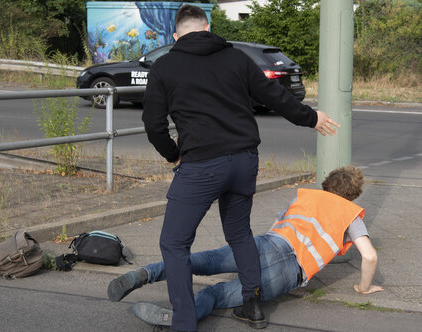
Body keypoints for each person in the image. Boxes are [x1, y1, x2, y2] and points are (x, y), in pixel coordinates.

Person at [141, 4, 340, 332]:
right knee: (238, 232)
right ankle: (253, 304)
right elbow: (274, 96)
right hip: (244, 161)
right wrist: (311, 117)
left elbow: (153, 125)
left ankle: (184, 322)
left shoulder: (164, 66)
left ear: (176, 36)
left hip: (201, 166)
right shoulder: (235, 57)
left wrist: (172, 153)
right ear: (208, 27)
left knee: (174, 243)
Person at [107, 166, 383, 329]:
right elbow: (369, 256)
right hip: (288, 275)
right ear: (353, 195)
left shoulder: (307, 198)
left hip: (267, 246)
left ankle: (143, 274)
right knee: (216, 293)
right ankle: (178, 318)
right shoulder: (350, 214)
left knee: (199, 261)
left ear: (327, 183)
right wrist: (364, 287)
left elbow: (279, 221)